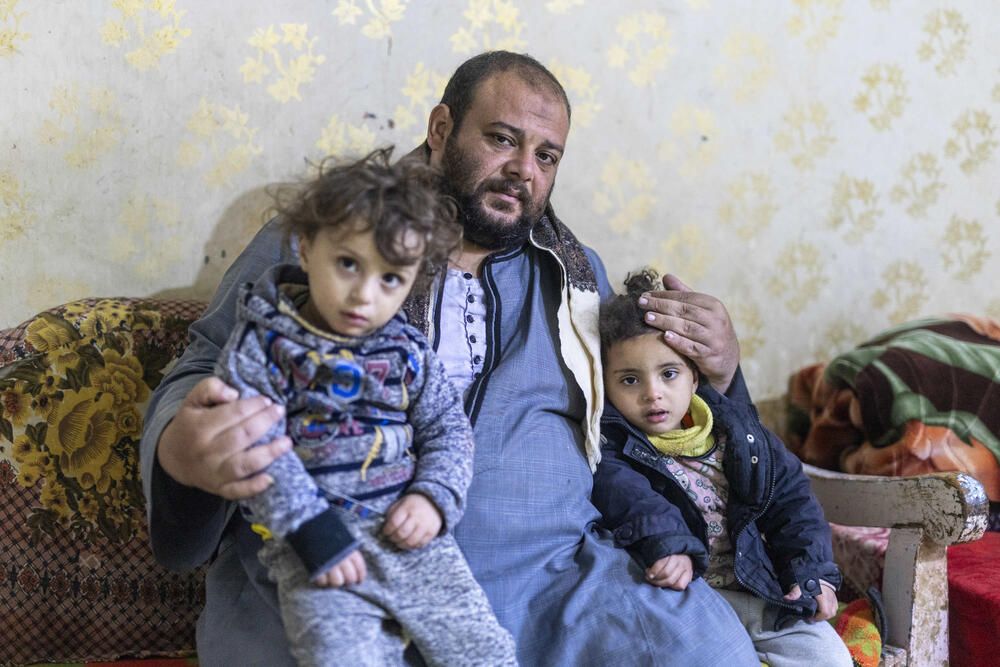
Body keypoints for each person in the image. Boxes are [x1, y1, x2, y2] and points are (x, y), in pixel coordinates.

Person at [141, 50, 761, 665]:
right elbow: (203, 372)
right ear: (441, 129)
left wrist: (724, 371)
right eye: (502, 139)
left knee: (710, 650)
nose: (524, 169)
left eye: (546, 156)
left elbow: (641, 415)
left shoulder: (578, 277)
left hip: (555, 584)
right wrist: (182, 449)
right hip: (339, 571)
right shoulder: (333, 238)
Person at [213, 148, 517, 665]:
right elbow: (256, 445)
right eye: (348, 264)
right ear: (306, 248)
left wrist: (433, 498)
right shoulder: (263, 346)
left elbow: (448, 428)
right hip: (316, 551)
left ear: (414, 278)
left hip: (410, 537)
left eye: (390, 279)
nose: (363, 295)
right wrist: (312, 531)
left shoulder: (407, 350)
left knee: (484, 652)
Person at [592, 269, 852, 667]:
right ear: (606, 388)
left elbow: (794, 503)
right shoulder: (616, 448)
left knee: (829, 658)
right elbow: (627, 497)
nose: (652, 393)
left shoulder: (741, 437)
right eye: (629, 380)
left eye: (669, 373)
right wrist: (668, 546)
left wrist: (809, 574)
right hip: (685, 600)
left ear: (695, 378)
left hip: (759, 590)